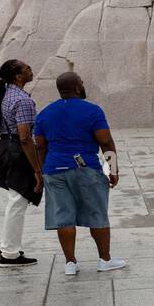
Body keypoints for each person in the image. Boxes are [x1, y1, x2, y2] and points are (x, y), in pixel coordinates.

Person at [33, 71, 126, 275]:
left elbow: (39, 146)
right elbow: (105, 141)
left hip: (54, 169)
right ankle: (104, 259)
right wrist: (113, 168)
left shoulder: (45, 113)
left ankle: (70, 263)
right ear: (77, 87)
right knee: (97, 213)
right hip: (86, 168)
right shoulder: (92, 111)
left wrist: (39, 173)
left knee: (63, 217)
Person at [0, 58, 42, 268]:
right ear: (18, 76)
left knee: (16, 199)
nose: (30, 69)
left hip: (7, 146)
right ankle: (9, 253)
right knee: (17, 200)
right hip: (18, 150)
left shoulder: (7, 94)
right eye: (27, 68)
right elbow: (25, 136)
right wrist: (37, 168)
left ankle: (8, 248)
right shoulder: (22, 100)